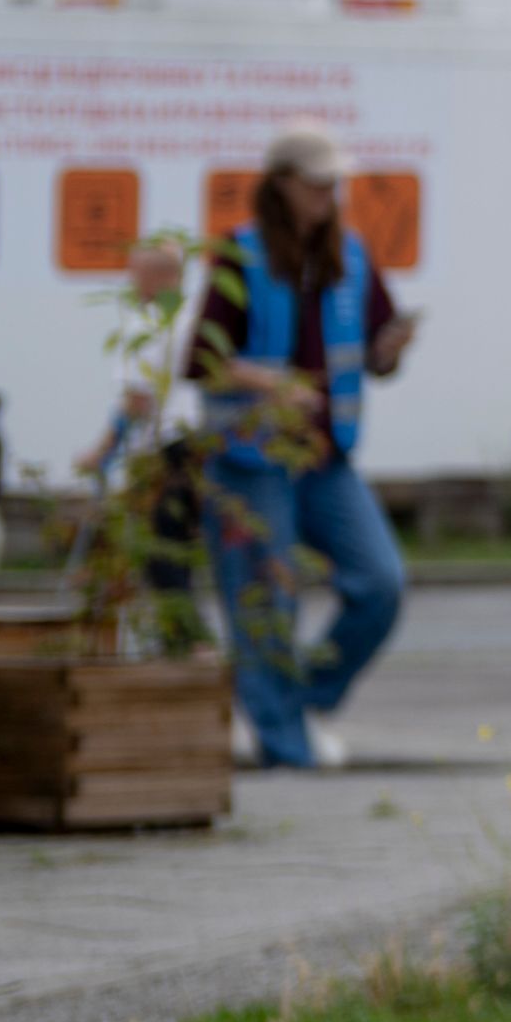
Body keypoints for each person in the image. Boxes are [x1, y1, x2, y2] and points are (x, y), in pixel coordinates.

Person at [184, 127, 417, 769]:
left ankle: (303, 699)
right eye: (316, 183)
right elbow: (201, 360)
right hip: (249, 459)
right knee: (267, 602)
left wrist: (389, 351)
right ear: (281, 183)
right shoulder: (241, 254)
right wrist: (270, 383)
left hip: (326, 458)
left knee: (382, 581)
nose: (328, 195)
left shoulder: (352, 255)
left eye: (332, 184)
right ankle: (285, 748)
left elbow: (372, 351)